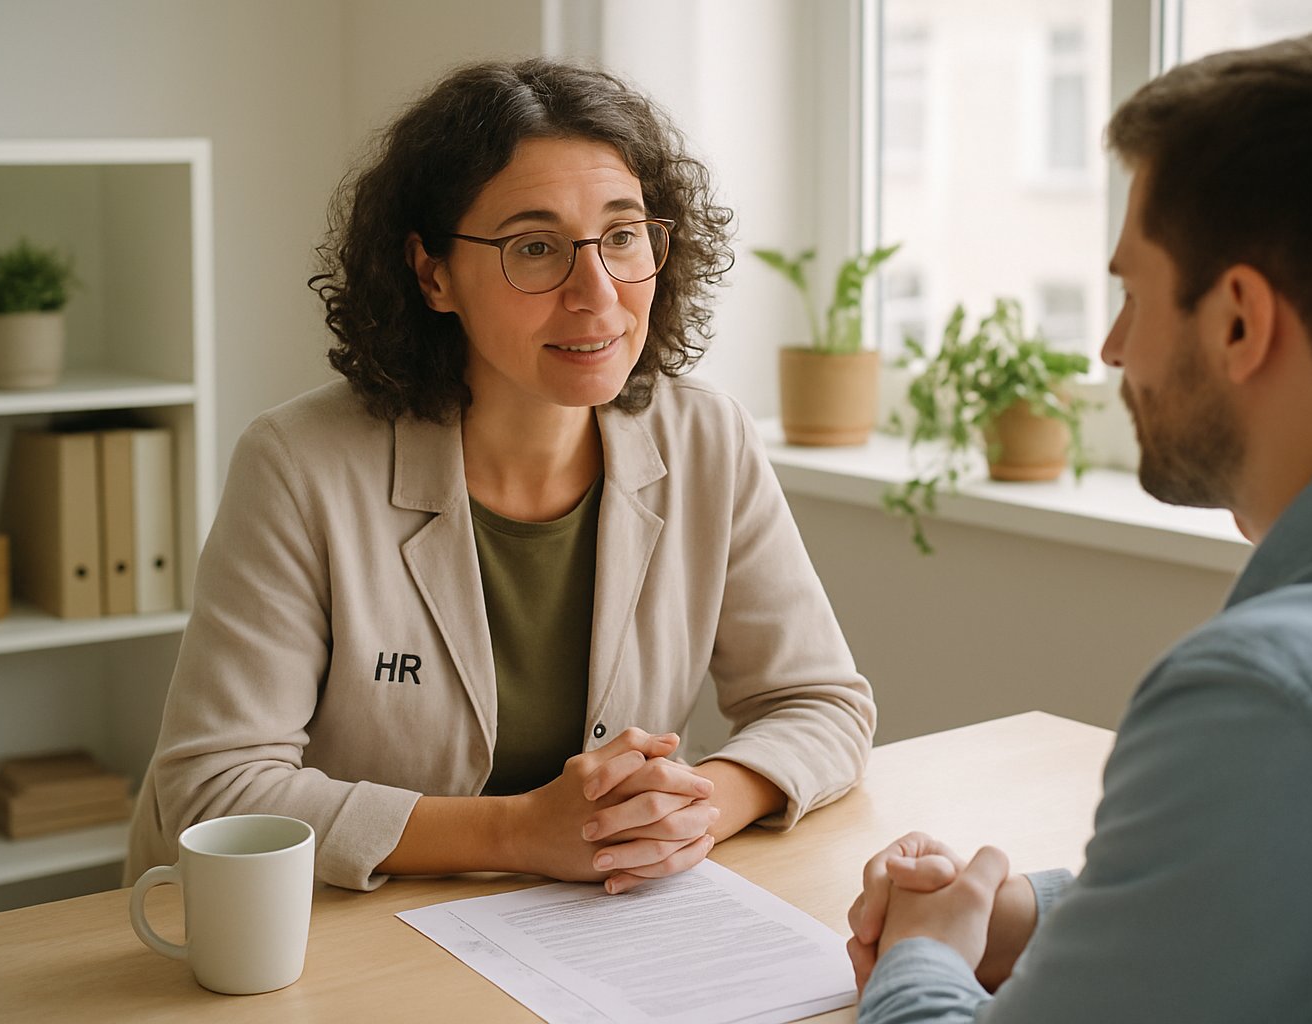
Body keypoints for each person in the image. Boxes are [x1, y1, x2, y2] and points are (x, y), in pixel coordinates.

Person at [848, 32, 1312, 1021]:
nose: (1109, 348)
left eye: (1131, 294)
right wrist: (1018, 910)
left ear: (1239, 320)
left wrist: (920, 956)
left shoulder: (1273, 700)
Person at [126, 58, 874, 895]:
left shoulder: (707, 438)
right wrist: (520, 831)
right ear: (431, 273)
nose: (598, 294)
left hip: (595, 926)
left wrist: (700, 806)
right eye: (535, 248)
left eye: (623, 236)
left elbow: (822, 705)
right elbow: (213, 791)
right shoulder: (299, 466)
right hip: (344, 934)